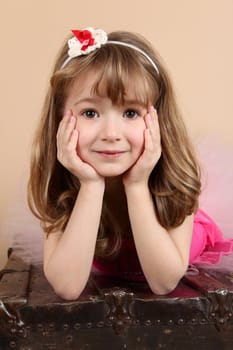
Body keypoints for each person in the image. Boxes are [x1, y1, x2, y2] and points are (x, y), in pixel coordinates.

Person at [28, 27, 233, 300]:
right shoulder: (60, 183)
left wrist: (136, 185)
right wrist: (90, 185)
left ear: (158, 119)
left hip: (173, 253)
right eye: (90, 112)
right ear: (60, 118)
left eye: (131, 112)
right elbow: (67, 287)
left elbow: (163, 283)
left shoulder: (175, 178)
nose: (111, 133)